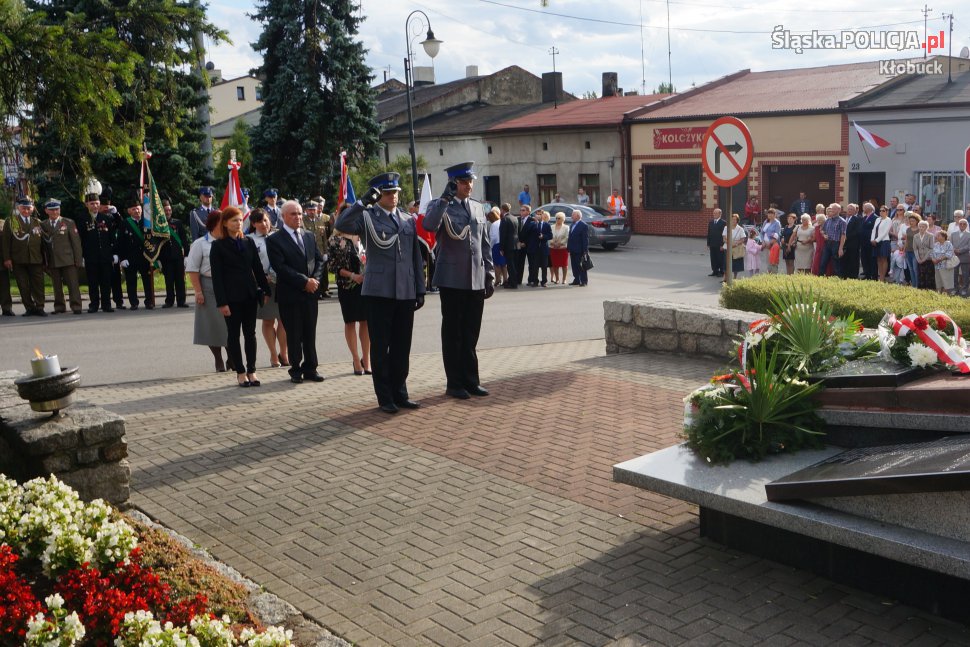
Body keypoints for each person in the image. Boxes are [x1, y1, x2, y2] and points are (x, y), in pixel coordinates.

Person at [337, 172, 426, 412]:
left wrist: (419, 288)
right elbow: (341, 224)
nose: (393, 196)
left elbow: (415, 257)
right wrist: (361, 203)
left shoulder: (407, 219)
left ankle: (400, 392)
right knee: (380, 346)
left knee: (401, 346)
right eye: (387, 193)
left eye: (395, 192)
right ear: (378, 196)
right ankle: (385, 397)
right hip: (379, 291)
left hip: (405, 290)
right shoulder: (366, 217)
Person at [423, 161, 494, 400]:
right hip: (452, 279)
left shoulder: (477, 207)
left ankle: (471, 381)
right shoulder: (440, 205)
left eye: (470, 181)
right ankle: (454, 383)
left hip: (476, 278)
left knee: (471, 333)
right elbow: (429, 225)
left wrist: (490, 274)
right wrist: (445, 199)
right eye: (464, 182)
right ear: (454, 183)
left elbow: (484, 243)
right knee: (453, 334)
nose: (469, 185)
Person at [267, 199, 326, 385]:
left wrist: (314, 280)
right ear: (283, 216)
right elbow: (280, 267)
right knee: (294, 333)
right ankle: (296, 369)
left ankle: (311, 368)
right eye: (293, 214)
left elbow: (319, 260)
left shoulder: (309, 236)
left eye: (300, 213)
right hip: (290, 294)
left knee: (310, 332)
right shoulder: (274, 239)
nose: (298, 217)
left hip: (310, 294)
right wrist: (304, 281)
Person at [210, 206, 271, 387]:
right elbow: (217, 277)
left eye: (239, 220)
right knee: (234, 335)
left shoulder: (248, 242)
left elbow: (257, 268)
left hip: (249, 295)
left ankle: (252, 370)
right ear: (225, 223)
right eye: (234, 220)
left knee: (250, 334)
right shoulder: (218, 246)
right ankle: (240, 372)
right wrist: (222, 302)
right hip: (231, 298)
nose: (238, 223)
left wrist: (265, 289)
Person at [186, 211, 230, 372]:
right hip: (208, 286)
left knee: (230, 324)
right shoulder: (200, 244)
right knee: (213, 325)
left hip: (229, 285)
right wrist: (198, 291)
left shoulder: (230, 240)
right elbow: (192, 269)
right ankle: (218, 359)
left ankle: (232, 357)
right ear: (213, 224)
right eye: (222, 221)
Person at [247, 209, 289, 368]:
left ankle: (284, 353)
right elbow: (248, 263)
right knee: (268, 320)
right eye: (259, 222)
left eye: (265, 220)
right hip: (264, 284)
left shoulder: (279, 235)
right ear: (253, 224)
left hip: (282, 282)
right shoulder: (249, 240)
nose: (263, 224)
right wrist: (260, 278)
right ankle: (273, 354)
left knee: (284, 319)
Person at [327, 228, 370, 376]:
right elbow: (332, 266)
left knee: (366, 321)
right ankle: (356, 360)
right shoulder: (335, 240)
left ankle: (366, 359)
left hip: (366, 286)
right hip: (347, 286)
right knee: (350, 321)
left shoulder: (364, 236)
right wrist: (352, 276)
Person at [2, 197, 46, 316]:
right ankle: (29, 308)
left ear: (32, 209)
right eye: (23, 208)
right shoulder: (11, 221)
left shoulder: (37, 222)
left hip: (36, 259)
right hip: (18, 259)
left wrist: (45, 259)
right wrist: (7, 258)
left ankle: (40, 307)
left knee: (38, 284)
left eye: (28, 208)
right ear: (18, 208)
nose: (26, 210)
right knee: (23, 285)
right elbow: (6, 242)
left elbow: (43, 243)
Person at [40, 199, 83, 315]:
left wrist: (78, 260)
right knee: (57, 286)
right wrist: (44, 261)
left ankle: (76, 306)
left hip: (68, 260)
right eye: (51, 210)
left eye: (57, 209)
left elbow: (76, 243)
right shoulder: (43, 225)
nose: (55, 212)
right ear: (46, 211)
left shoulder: (68, 222)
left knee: (73, 285)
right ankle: (59, 307)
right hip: (53, 260)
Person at [114, 192, 155, 310]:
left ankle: (149, 301)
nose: (137, 211)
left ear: (141, 209)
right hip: (130, 257)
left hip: (145, 257)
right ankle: (134, 302)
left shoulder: (147, 222)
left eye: (138, 208)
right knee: (131, 281)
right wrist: (122, 258)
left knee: (147, 281)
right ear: (129, 211)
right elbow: (120, 243)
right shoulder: (125, 224)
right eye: (134, 209)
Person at [79, 188, 117, 312]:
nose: (95, 206)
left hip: (105, 256)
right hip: (91, 257)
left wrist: (114, 253)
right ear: (86, 205)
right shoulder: (82, 219)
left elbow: (112, 237)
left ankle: (106, 304)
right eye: (92, 203)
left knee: (106, 282)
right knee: (93, 282)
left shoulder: (106, 218)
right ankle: (94, 305)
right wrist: (81, 256)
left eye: (96, 203)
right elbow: (80, 239)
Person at [160, 200, 190, 308]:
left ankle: (181, 301)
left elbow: (184, 240)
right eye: (166, 210)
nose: (168, 212)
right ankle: (169, 301)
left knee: (180, 280)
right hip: (166, 257)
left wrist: (186, 256)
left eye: (169, 210)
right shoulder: (159, 225)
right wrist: (158, 259)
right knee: (169, 280)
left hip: (178, 256)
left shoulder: (178, 223)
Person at [816, 203, 846, 277]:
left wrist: (841, 248)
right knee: (823, 263)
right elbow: (822, 230)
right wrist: (824, 235)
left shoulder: (842, 221)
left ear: (839, 210)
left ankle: (838, 280)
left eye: (834, 209)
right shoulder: (828, 220)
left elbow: (843, 235)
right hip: (827, 243)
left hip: (836, 244)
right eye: (831, 208)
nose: (832, 210)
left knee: (836, 264)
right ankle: (820, 280)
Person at [499, 203, 519, 288]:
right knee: (514, 264)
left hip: (508, 245)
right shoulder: (514, 218)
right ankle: (513, 281)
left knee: (510, 265)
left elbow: (503, 234)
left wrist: (501, 248)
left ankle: (513, 283)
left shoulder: (504, 219)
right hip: (515, 243)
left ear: (502, 210)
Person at [567, 209, 589, 287]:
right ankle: (576, 280)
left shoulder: (583, 225)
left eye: (573, 215)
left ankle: (584, 281)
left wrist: (585, 251)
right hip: (572, 249)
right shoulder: (572, 224)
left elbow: (585, 239)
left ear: (578, 216)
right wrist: (568, 247)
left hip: (579, 250)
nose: (571, 216)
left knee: (581, 266)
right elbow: (570, 237)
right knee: (574, 266)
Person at [487, 207, 507, 289]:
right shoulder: (501, 221)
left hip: (496, 245)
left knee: (496, 264)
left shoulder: (494, 224)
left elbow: (493, 237)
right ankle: (505, 279)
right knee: (504, 264)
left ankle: (498, 279)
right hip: (503, 244)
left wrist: (490, 246)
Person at [913, 219, 936, 291]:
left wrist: (924, 259)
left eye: (923, 227)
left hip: (928, 259)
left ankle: (929, 290)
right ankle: (921, 290)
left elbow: (931, 248)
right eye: (920, 226)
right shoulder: (915, 236)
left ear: (926, 227)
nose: (921, 228)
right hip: (919, 259)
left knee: (929, 276)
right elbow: (915, 248)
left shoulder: (930, 236)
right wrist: (918, 259)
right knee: (920, 275)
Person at [840, 203, 862, 280]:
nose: (849, 211)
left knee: (853, 260)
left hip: (853, 243)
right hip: (844, 243)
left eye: (851, 209)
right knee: (845, 259)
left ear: (855, 211)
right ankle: (845, 275)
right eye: (848, 209)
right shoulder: (843, 218)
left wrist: (847, 236)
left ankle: (853, 276)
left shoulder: (857, 219)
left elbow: (857, 231)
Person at [931, 230, 955, 295]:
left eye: (938, 235)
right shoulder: (936, 244)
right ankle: (938, 293)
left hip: (945, 266)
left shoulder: (948, 244)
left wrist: (939, 260)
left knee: (945, 280)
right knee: (938, 280)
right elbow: (932, 253)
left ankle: (945, 294)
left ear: (943, 237)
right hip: (937, 266)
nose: (936, 237)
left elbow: (949, 254)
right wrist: (933, 259)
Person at [722, 213, 745, 280]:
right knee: (726, 263)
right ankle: (725, 277)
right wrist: (730, 244)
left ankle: (735, 277)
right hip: (727, 248)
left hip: (736, 248)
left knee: (736, 264)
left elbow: (742, 239)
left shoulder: (740, 229)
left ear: (737, 220)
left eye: (735, 219)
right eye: (732, 219)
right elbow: (724, 238)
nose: (733, 221)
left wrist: (736, 244)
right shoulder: (726, 227)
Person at [549, 211, 570, 284]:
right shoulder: (551, 227)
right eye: (556, 218)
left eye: (559, 218)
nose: (557, 220)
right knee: (555, 264)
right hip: (553, 248)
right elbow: (549, 236)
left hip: (563, 248)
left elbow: (567, 237)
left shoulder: (566, 227)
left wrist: (560, 243)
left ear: (563, 219)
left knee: (564, 264)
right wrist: (553, 242)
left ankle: (564, 279)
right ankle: (557, 278)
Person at [951, 218, 970, 296]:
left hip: (965, 257)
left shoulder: (969, 234)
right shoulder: (953, 234)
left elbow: (969, 246)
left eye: (964, 224)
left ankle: (965, 289)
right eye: (960, 224)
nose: (962, 225)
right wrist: (954, 250)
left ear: (966, 225)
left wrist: (960, 250)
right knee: (954, 274)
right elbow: (950, 244)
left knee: (965, 274)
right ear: (958, 225)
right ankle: (955, 288)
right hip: (955, 256)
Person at [859, 202, 878, 280]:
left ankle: (873, 276)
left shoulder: (875, 218)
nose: (863, 208)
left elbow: (876, 230)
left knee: (872, 260)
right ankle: (867, 275)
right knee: (864, 259)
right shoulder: (864, 218)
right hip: (863, 242)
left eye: (864, 207)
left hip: (870, 243)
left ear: (869, 208)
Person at [903, 212, 921, 287]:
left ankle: (917, 285)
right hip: (908, 251)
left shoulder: (919, 230)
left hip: (916, 252)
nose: (911, 222)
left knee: (915, 269)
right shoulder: (908, 229)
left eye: (913, 221)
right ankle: (913, 285)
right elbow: (906, 240)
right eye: (910, 221)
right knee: (910, 269)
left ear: (917, 221)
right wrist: (904, 250)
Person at [706, 209, 726, 277]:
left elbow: (724, 235)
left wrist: (722, 245)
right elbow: (709, 233)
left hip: (719, 244)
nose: (714, 214)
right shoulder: (711, 222)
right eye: (713, 213)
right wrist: (708, 243)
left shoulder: (723, 223)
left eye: (716, 213)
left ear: (720, 214)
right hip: (712, 243)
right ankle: (715, 271)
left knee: (720, 258)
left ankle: (721, 271)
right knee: (713, 258)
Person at [536, 209, 552, 287]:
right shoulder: (534, 224)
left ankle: (544, 281)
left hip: (544, 248)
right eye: (537, 214)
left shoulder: (546, 225)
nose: (538, 216)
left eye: (540, 214)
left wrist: (544, 236)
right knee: (535, 265)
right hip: (535, 248)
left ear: (543, 215)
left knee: (544, 266)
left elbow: (550, 236)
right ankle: (534, 280)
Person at [0, 218, 12, 316]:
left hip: (1, 261)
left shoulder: (3, 223)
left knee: (4, 287)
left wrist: (7, 258)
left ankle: (6, 308)